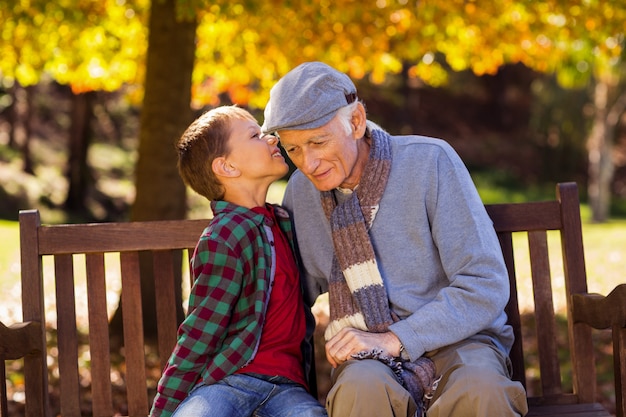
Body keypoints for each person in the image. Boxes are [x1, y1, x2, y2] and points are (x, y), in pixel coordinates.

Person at [261, 62, 529, 417]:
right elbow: (291, 298)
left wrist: (395, 340)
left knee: (481, 392)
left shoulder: (430, 161)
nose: (308, 163)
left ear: (356, 121)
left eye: (318, 141)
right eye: (293, 149)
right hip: (367, 358)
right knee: (360, 392)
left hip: (459, 340)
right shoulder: (302, 193)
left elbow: (484, 283)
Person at [149, 105, 327, 417]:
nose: (271, 139)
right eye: (256, 135)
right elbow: (200, 332)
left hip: (289, 388)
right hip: (229, 381)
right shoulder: (224, 236)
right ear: (227, 167)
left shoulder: (283, 222)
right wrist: (162, 411)